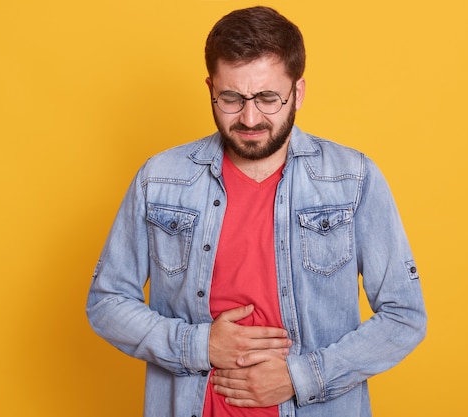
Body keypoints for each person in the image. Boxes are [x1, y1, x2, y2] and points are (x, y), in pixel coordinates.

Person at [86, 6, 426, 417]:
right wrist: (199, 345)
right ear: (211, 87)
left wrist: (302, 377)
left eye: (267, 98)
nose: (249, 118)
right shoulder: (160, 179)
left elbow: (404, 316)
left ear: (297, 92)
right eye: (231, 98)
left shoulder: (352, 179)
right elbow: (106, 302)